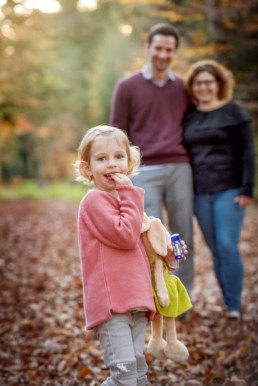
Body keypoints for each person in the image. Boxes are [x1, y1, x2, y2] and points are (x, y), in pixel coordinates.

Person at [110, 23, 194, 292]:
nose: (163, 54)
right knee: (150, 237)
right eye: (158, 48)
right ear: (147, 48)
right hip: (145, 170)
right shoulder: (127, 87)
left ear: (175, 52)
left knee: (182, 234)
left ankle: (183, 297)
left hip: (180, 167)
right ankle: (156, 297)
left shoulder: (183, 87)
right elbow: (117, 133)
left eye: (169, 50)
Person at [74, 125, 157, 385]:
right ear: (87, 168)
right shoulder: (94, 201)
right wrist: (131, 195)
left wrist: (167, 254)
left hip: (137, 298)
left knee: (138, 373)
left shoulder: (126, 201)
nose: (112, 164)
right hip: (113, 306)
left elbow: (142, 245)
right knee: (123, 376)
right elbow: (124, 236)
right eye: (101, 159)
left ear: (130, 161)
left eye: (118, 157)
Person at [183, 60, 255, 320]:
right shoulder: (190, 116)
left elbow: (248, 152)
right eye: (198, 83)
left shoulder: (234, 113)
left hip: (230, 189)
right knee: (214, 248)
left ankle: (235, 306)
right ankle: (228, 302)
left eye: (208, 82)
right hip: (200, 192)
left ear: (219, 84)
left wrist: (248, 189)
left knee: (228, 246)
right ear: (193, 86)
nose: (203, 87)